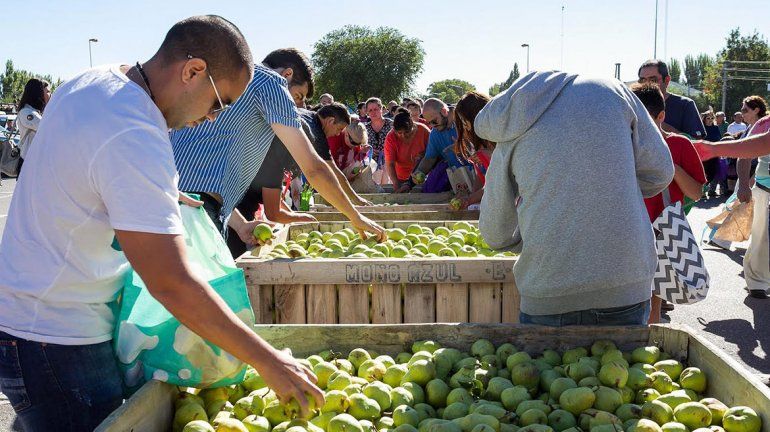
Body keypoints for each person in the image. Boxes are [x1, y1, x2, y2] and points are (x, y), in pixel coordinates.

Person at [0, 16, 325, 431]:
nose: (213, 118)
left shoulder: (94, 82)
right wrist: (269, 361)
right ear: (193, 71)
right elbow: (171, 282)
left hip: (29, 321)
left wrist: (157, 195)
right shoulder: (134, 131)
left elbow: (84, 173)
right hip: (57, 338)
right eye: (220, 103)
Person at [477, 71, 673, 327]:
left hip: (547, 289)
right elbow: (661, 171)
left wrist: (531, 235)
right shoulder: (615, 92)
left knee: (544, 356)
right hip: (625, 283)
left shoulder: (511, 129)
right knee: (625, 355)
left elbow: (495, 232)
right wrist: (616, 190)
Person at [171, 48, 385, 247]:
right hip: (195, 209)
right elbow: (314, 169)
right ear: (287, 75)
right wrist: (355, 216)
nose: (297, 105)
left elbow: (199, 171)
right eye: (298, 96)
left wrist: (241, 224)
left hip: (171, 194)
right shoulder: (272, 82)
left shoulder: (230, 75)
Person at [227, 103, 366, 256]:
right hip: (234, 206)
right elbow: (273, 213)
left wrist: (293, 217)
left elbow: (273, 197)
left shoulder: (275, 151)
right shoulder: (274, 160)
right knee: (234, 251)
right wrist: (300, 217)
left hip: (235, 207)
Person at [632, 83, 706, 323]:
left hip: (663, 228)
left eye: (644, 119)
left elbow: (696, 192)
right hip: (628, 226)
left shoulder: (680, 145)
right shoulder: (623, 145)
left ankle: (651, 328)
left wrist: (668, 165)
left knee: (654, 298)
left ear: (661, 116)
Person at [695, 122, 770, 300]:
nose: (742, 112)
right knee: (762, 238)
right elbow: (746, 154)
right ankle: (757, 282)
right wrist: (743, 185)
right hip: (764, 190)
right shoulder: (764, 124)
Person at [413, 98, 471, 193]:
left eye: (434, 121)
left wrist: (465, 147)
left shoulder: (465, 121)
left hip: (480, 175)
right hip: (460, 180)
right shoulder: (435, 133)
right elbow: (429, 159)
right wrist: (419, 171)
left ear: (444, 111)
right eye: (429, 123)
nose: (432, 126)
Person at [638, 59, 706, 139]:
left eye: (653, 80)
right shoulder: (635, 104)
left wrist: (658, 124)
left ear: (667, 80)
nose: (646, 84)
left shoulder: (685, 105)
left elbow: (697, 141)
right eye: (642, 80)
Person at [453, 91, 495, 209]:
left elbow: (500, 183)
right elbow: (480, 177)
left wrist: (491, 156)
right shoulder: (478, 142)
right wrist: (471, 198)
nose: (464, 126)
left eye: (464, 121)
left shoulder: (499, 140)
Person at [384, 108, 430, 193]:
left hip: (422, 177)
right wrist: (396, 185)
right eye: (399, 133)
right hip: (400, 178)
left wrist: (423, 155)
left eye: (407, 132)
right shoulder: (391, 137)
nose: (403, 136)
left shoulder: (424, 131)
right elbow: (390, 164)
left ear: (413, 126)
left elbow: (433, 154)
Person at [736, 96, 769, 205]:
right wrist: (744, 184)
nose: (742, 114)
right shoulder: (752, 127)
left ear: (756, 110)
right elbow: (743, 156)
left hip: (757, 181)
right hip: (749, 178)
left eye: (744, 110)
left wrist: (750, 182)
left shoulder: (764, 126)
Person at [16, 78, 51, 173]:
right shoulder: (27, 112)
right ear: (38, 93)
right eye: (48, 91)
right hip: (28, 162)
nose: (50, 95)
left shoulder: (36, 112)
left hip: (36, 162)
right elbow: (49, 128)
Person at [364, 97, 394, 174]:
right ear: (367, 112)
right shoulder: (365, 128)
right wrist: (368, 151)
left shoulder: (392, 125)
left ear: (381, 109)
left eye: (375, 109)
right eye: (370, 110)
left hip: (390, 164)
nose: (373, 112)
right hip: (371, 165)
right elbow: (361, 146)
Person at [702, 111, 723, 197]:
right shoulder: (702, 128)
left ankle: (705, 187)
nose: (710, 120)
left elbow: (719, 139)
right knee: (704, 172)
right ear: (704, 119)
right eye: (708, 118)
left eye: (712, 118)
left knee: (712, 172)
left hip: (714, 153)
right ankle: (702, 191)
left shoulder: (715, 128)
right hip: (704, 154)